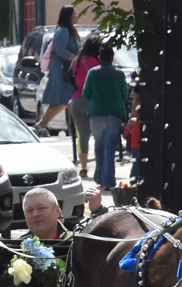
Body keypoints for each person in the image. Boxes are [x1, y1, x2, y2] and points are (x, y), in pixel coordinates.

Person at [82, 45, 129, 190]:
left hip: (97, 114)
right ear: (112, 57)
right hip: (115, 114)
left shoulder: (92, 73)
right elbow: (125, 95)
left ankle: (99, 178)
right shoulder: (120, 74)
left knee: (99, 147)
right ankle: (108, 180)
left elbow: (86, 94)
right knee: (110, 148)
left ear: (99, 58)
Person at [34, 5, 80, 137]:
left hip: (67, 71)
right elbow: (60, 49)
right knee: (62, 100)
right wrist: (76, 59)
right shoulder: (64, 31)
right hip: (61, 71)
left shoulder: (71, 31)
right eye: (74, 14)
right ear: (69, 16)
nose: (76, 16)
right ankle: (43, 124)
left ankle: (41, 124)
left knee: (63, 101)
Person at [68, 33, 100, 177]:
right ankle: (100, 165)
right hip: (92, 101)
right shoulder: (94, 62)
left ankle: (84, 167)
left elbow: (70, 79)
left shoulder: (76, 61)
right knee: (99, 133)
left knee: (82, 135)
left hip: (76, 101)